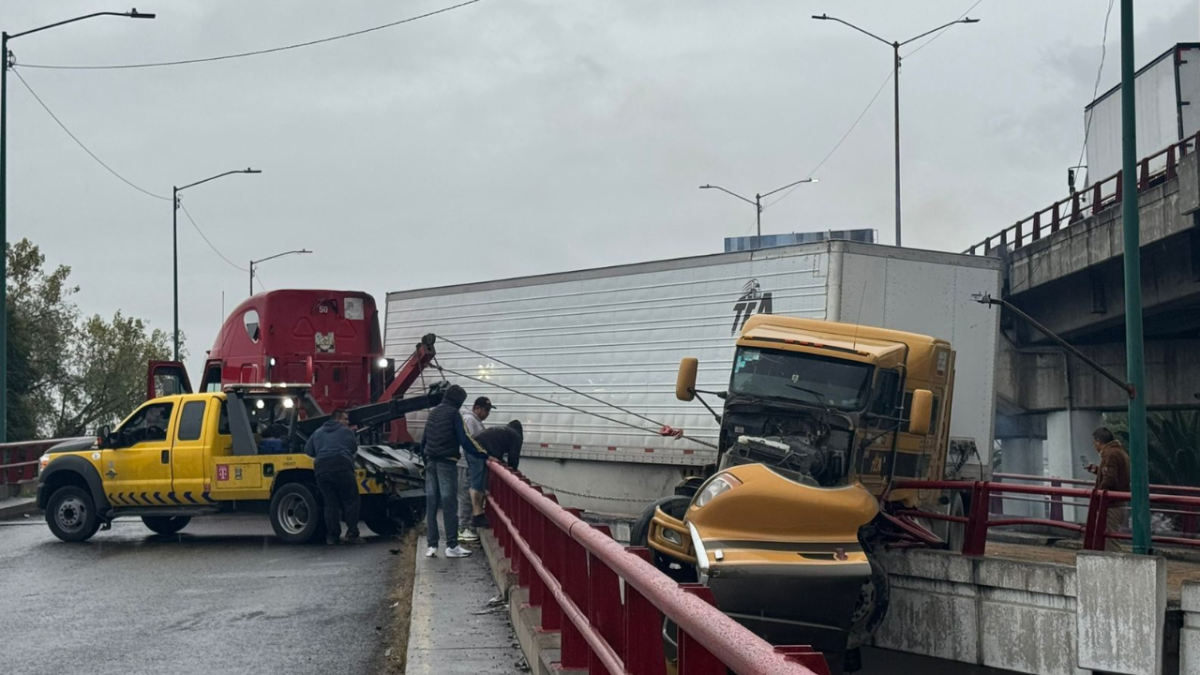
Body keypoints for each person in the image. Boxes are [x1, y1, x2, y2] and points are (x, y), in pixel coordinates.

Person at [421, 384, 474, 559]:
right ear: (458, 400)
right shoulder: (454, 414)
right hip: (446, 463)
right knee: (449, 504)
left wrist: (426, 460)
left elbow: (423, 441)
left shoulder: (433, 413)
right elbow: (464, 439)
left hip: (430, 462)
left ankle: (432, 546)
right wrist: (482, 453)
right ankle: (452, 546)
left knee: (432, 504)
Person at [304, 409, 364, 546]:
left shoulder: (317, 432)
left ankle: (333, 537)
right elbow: (354, 449)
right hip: (342, 466)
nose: (348, 422)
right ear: (338, 419)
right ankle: (352, 534)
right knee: (351, 500)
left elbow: (308, 450)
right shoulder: (346, 431)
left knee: (330, 503)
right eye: (346, 419)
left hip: (321, 470)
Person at [1085, 426, 1131, 552]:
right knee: (1108, 537)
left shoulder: (1111, 454)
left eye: (1094, 442)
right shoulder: (1118, 452)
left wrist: (1098, 494)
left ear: (1099, 442)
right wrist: (1096, 470)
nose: (1094, 446)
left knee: (1110, 541)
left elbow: (1110, 479)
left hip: (1112, 505)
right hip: (1118, 503)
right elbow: (1111, 473)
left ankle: (1116, 567)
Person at [461, 397, 494, 536]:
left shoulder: (476, 421)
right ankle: (463, 527)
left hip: (471, 461)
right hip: (466, 462)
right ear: (476, 408)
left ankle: (468, 526)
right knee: (465, 494)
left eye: (489, 410)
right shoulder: (470, 420)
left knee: (470, 492)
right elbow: (469, 441)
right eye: (485, 409)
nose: (487, 413)